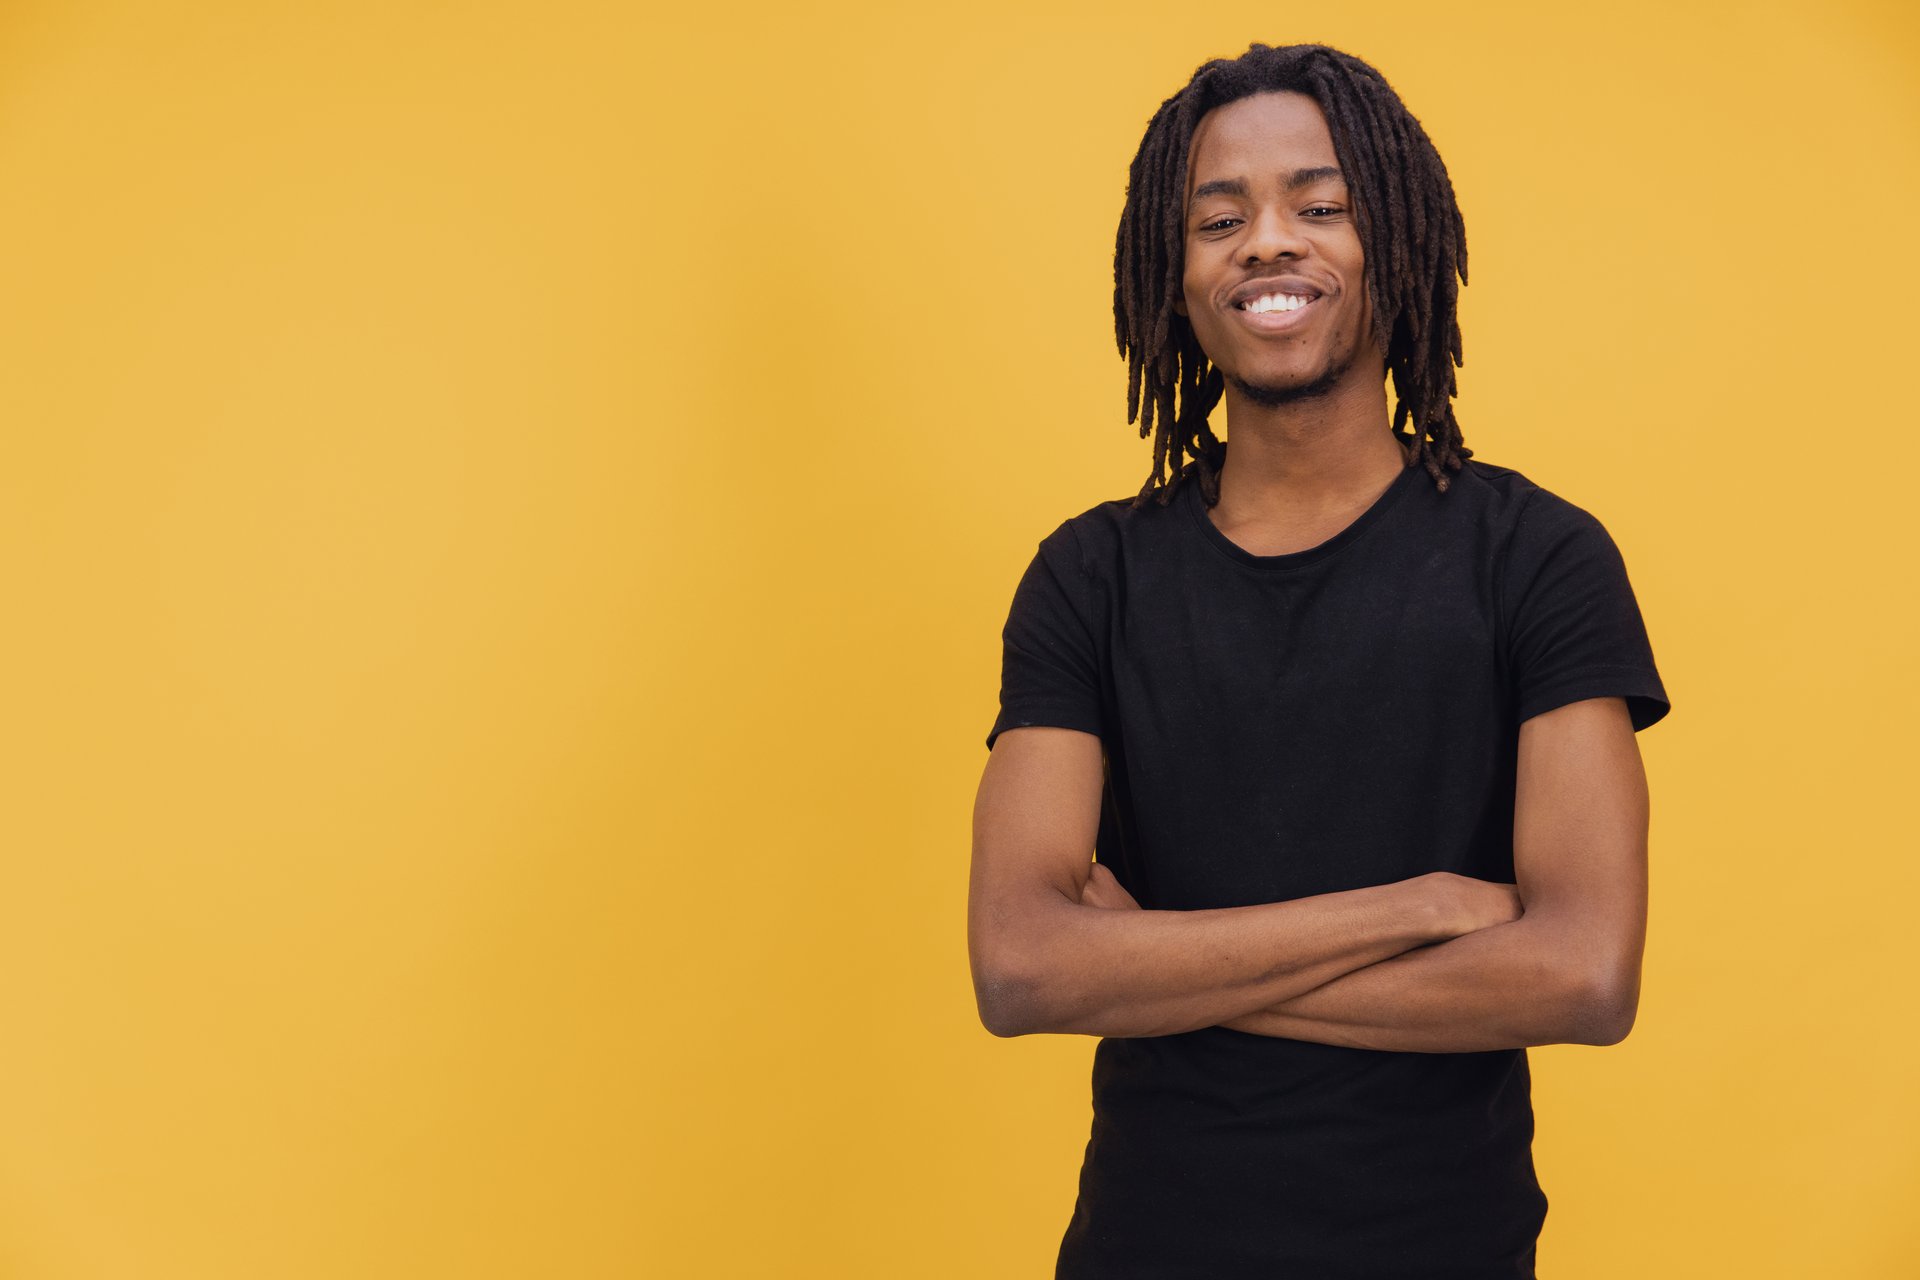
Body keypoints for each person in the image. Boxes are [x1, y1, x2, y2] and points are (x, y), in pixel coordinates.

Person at [968, 42, 1671, 1279]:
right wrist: (1416, 911)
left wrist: (1156, 967)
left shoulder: (1539, 559)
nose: (1267, 242)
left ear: (1390, 241)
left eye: (1321, 204)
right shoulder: (1091, 578)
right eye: (1219, 217)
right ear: (1172, 275)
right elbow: (1022, 964)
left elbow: (1583, 975)